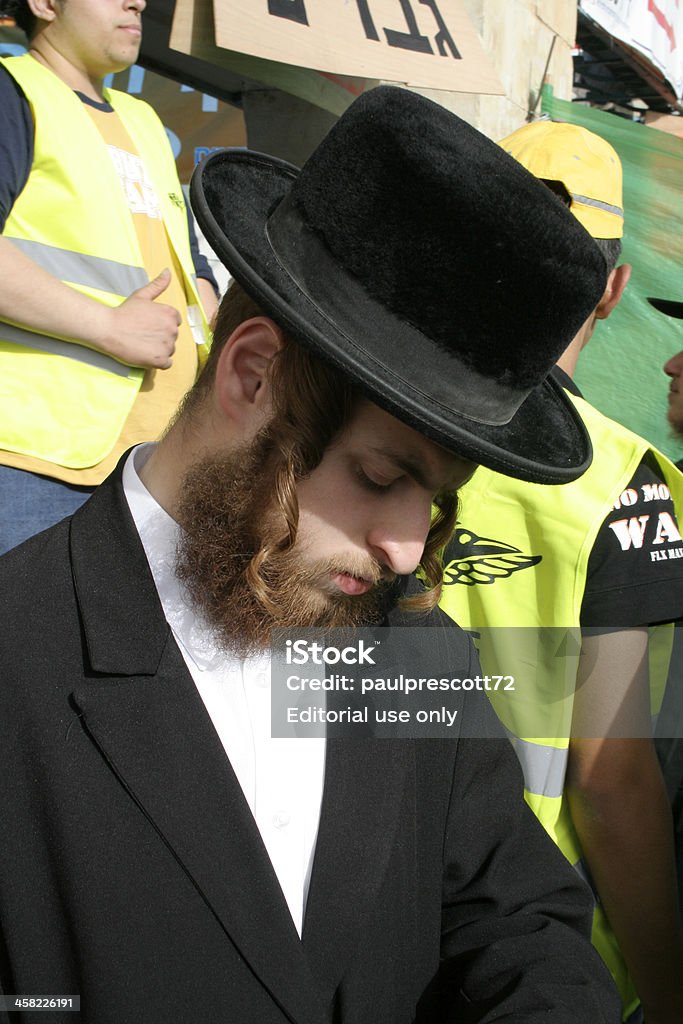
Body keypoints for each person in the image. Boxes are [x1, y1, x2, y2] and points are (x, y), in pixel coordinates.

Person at [0, 86, 621, 1022]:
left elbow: (513, 918)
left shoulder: (413, 651)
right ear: (252, 375)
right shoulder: (17, 652)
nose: (408, 550)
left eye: (438, 500)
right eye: (378, 477)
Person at [439, 119, 683, 1024]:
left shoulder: (362, 428)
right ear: (615, 287)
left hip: (350, 903)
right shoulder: (619, 479)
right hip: (540, 941)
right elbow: (611, 779)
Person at [0, 0, 218, 554]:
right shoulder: (13, 92)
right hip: (36, 459)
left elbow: (190, 273)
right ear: (45, 5)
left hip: (157, 465)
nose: (137, 1)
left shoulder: (142, 119)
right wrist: (106, 326)